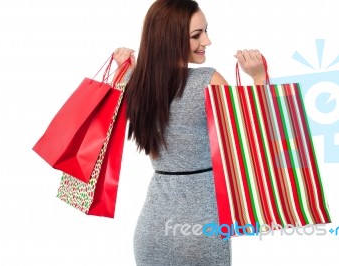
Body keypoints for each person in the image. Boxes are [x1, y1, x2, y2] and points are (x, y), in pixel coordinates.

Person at [113, 0, 265, 265]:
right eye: (197, 35)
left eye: (205, 30)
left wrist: (124, 71)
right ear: (170, 38)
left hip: (151, 232)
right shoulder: (207, 81)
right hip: (200, 231)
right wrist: (259, 78)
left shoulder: (139, 87)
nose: (207, 41)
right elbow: (251, 139)